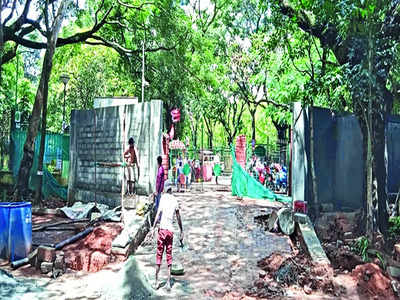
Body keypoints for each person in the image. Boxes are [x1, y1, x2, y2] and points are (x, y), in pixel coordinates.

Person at [152, 181, 184, 291]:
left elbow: (158, 214)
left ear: (165, 189)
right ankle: (168, 283)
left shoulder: (163, 198)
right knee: (169, 255)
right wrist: (181, 230)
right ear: (172, 189)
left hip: (162, 230)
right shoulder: (174, 200)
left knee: (159, 255)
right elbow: (178, 216)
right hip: (170, 231)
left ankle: (156, 281)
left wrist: (153, 228)